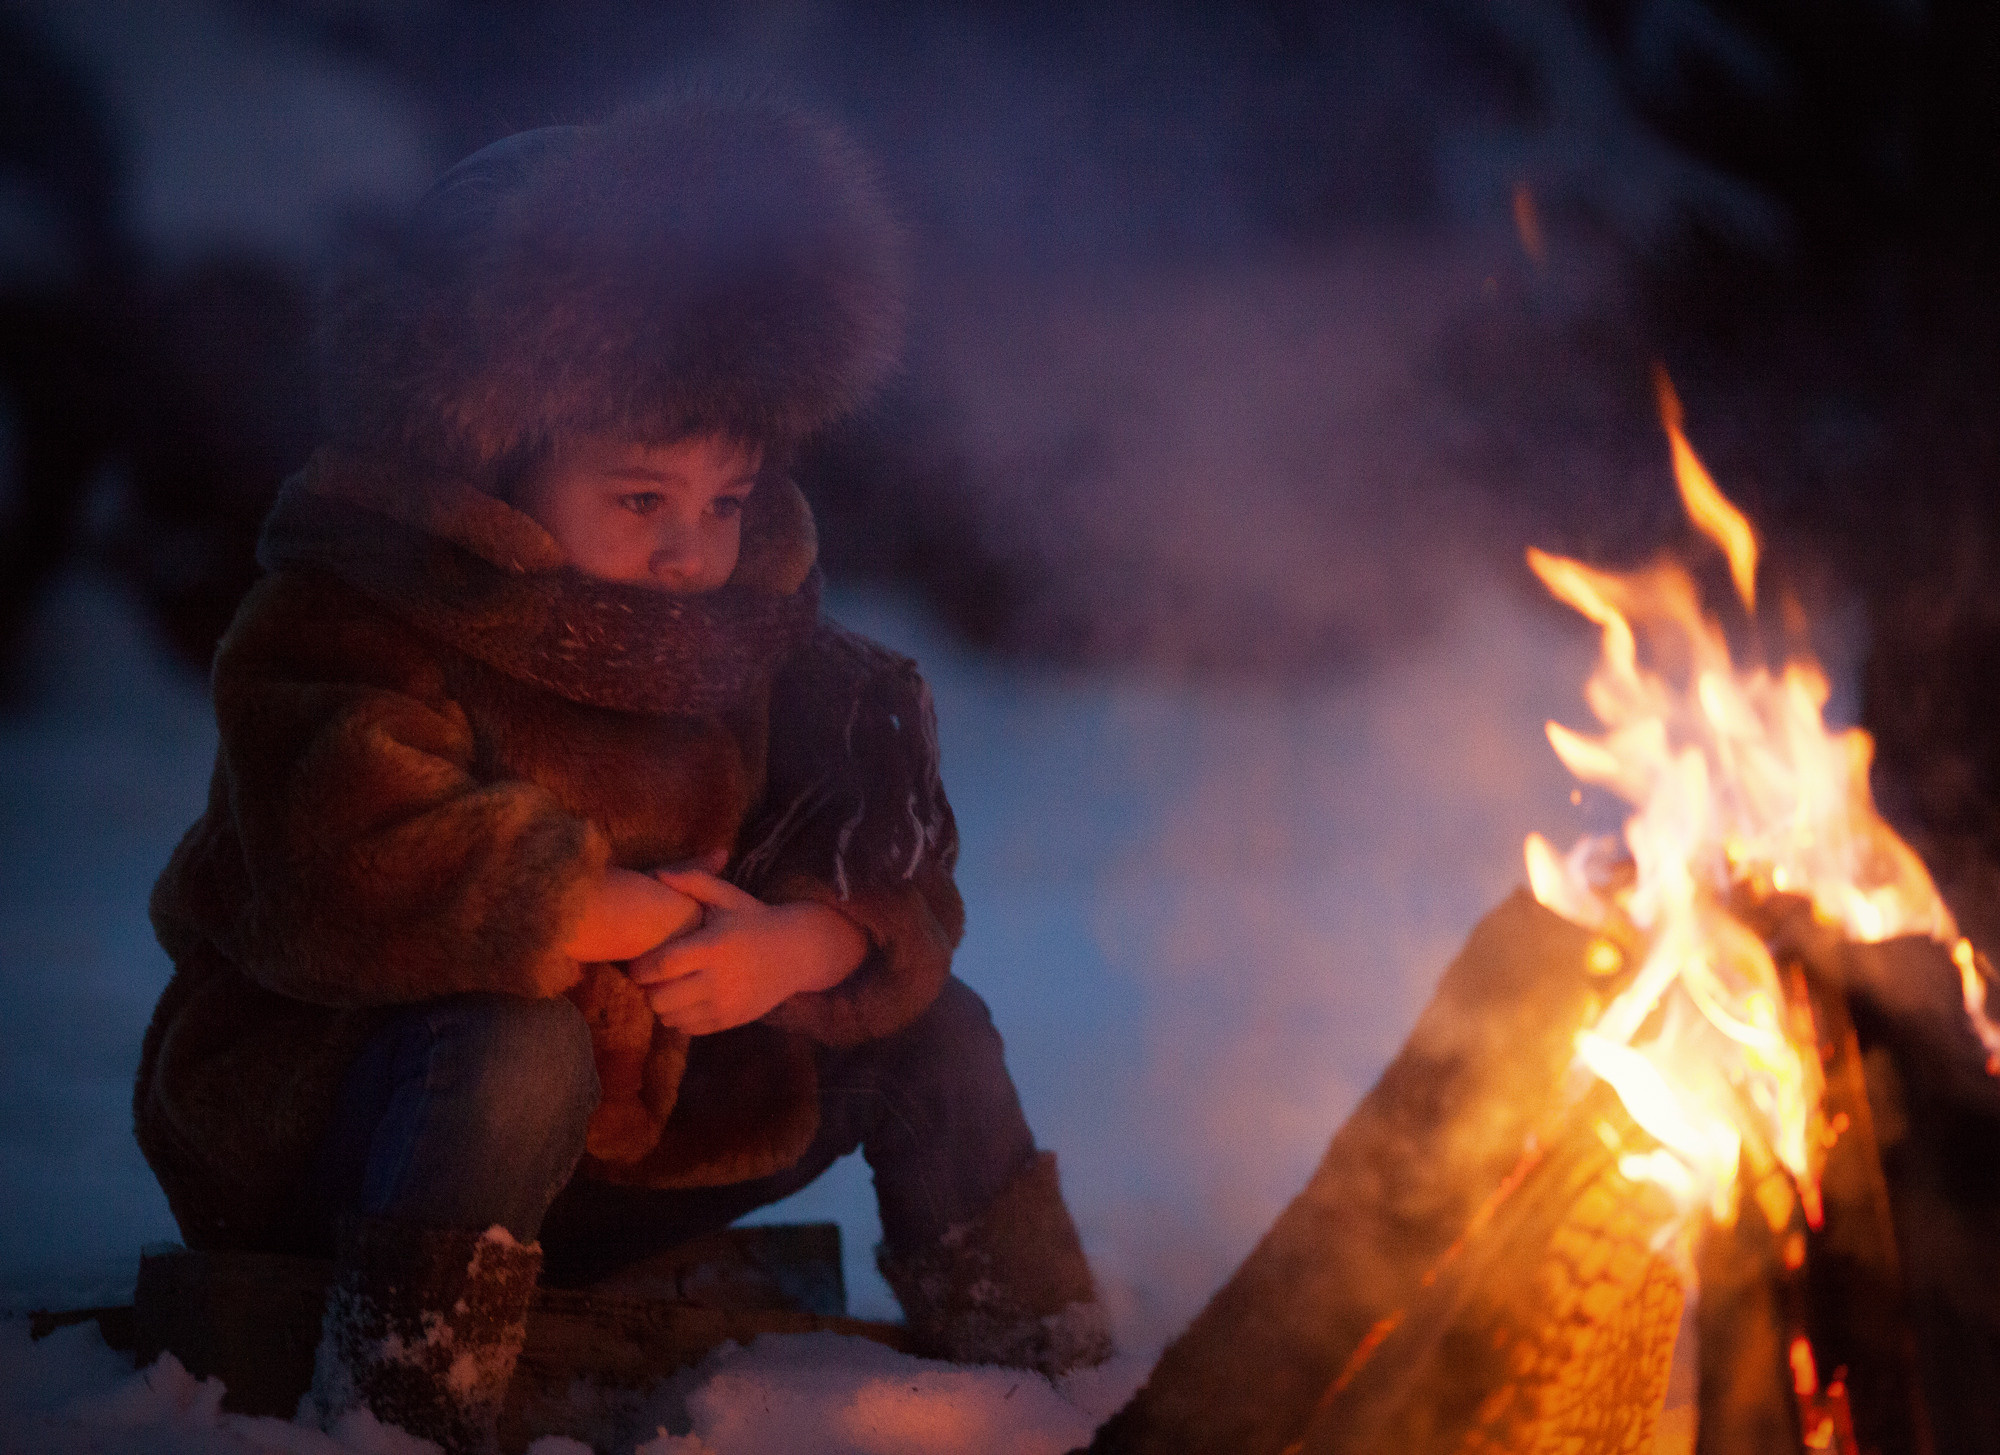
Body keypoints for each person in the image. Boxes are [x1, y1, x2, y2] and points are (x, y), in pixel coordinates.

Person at [134, 98, 1108, 1453]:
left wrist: (797, 946)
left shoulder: (765, 643)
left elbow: (893, 869)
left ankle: (1048, 1363)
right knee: (516, 1042)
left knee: (929, 1029)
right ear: (493, 457)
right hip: (348, 1131)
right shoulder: (362, 614)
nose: (688, 550)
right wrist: (602, 910)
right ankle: (405, 1393)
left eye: (724, 502)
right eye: (641, 499)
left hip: (630, 1151)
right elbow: (336, 848)